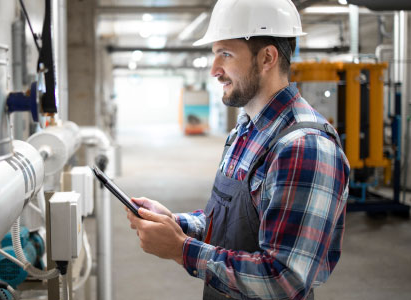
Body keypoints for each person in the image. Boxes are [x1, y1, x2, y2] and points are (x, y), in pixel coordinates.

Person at [126, 0, 350, 299]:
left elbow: (283, 280)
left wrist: (180, 249)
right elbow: (227, 225)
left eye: (226, 54)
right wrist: (173, 223)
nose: (215, 70)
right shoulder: (244, 131)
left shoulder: (304, 147)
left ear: (267, 58)